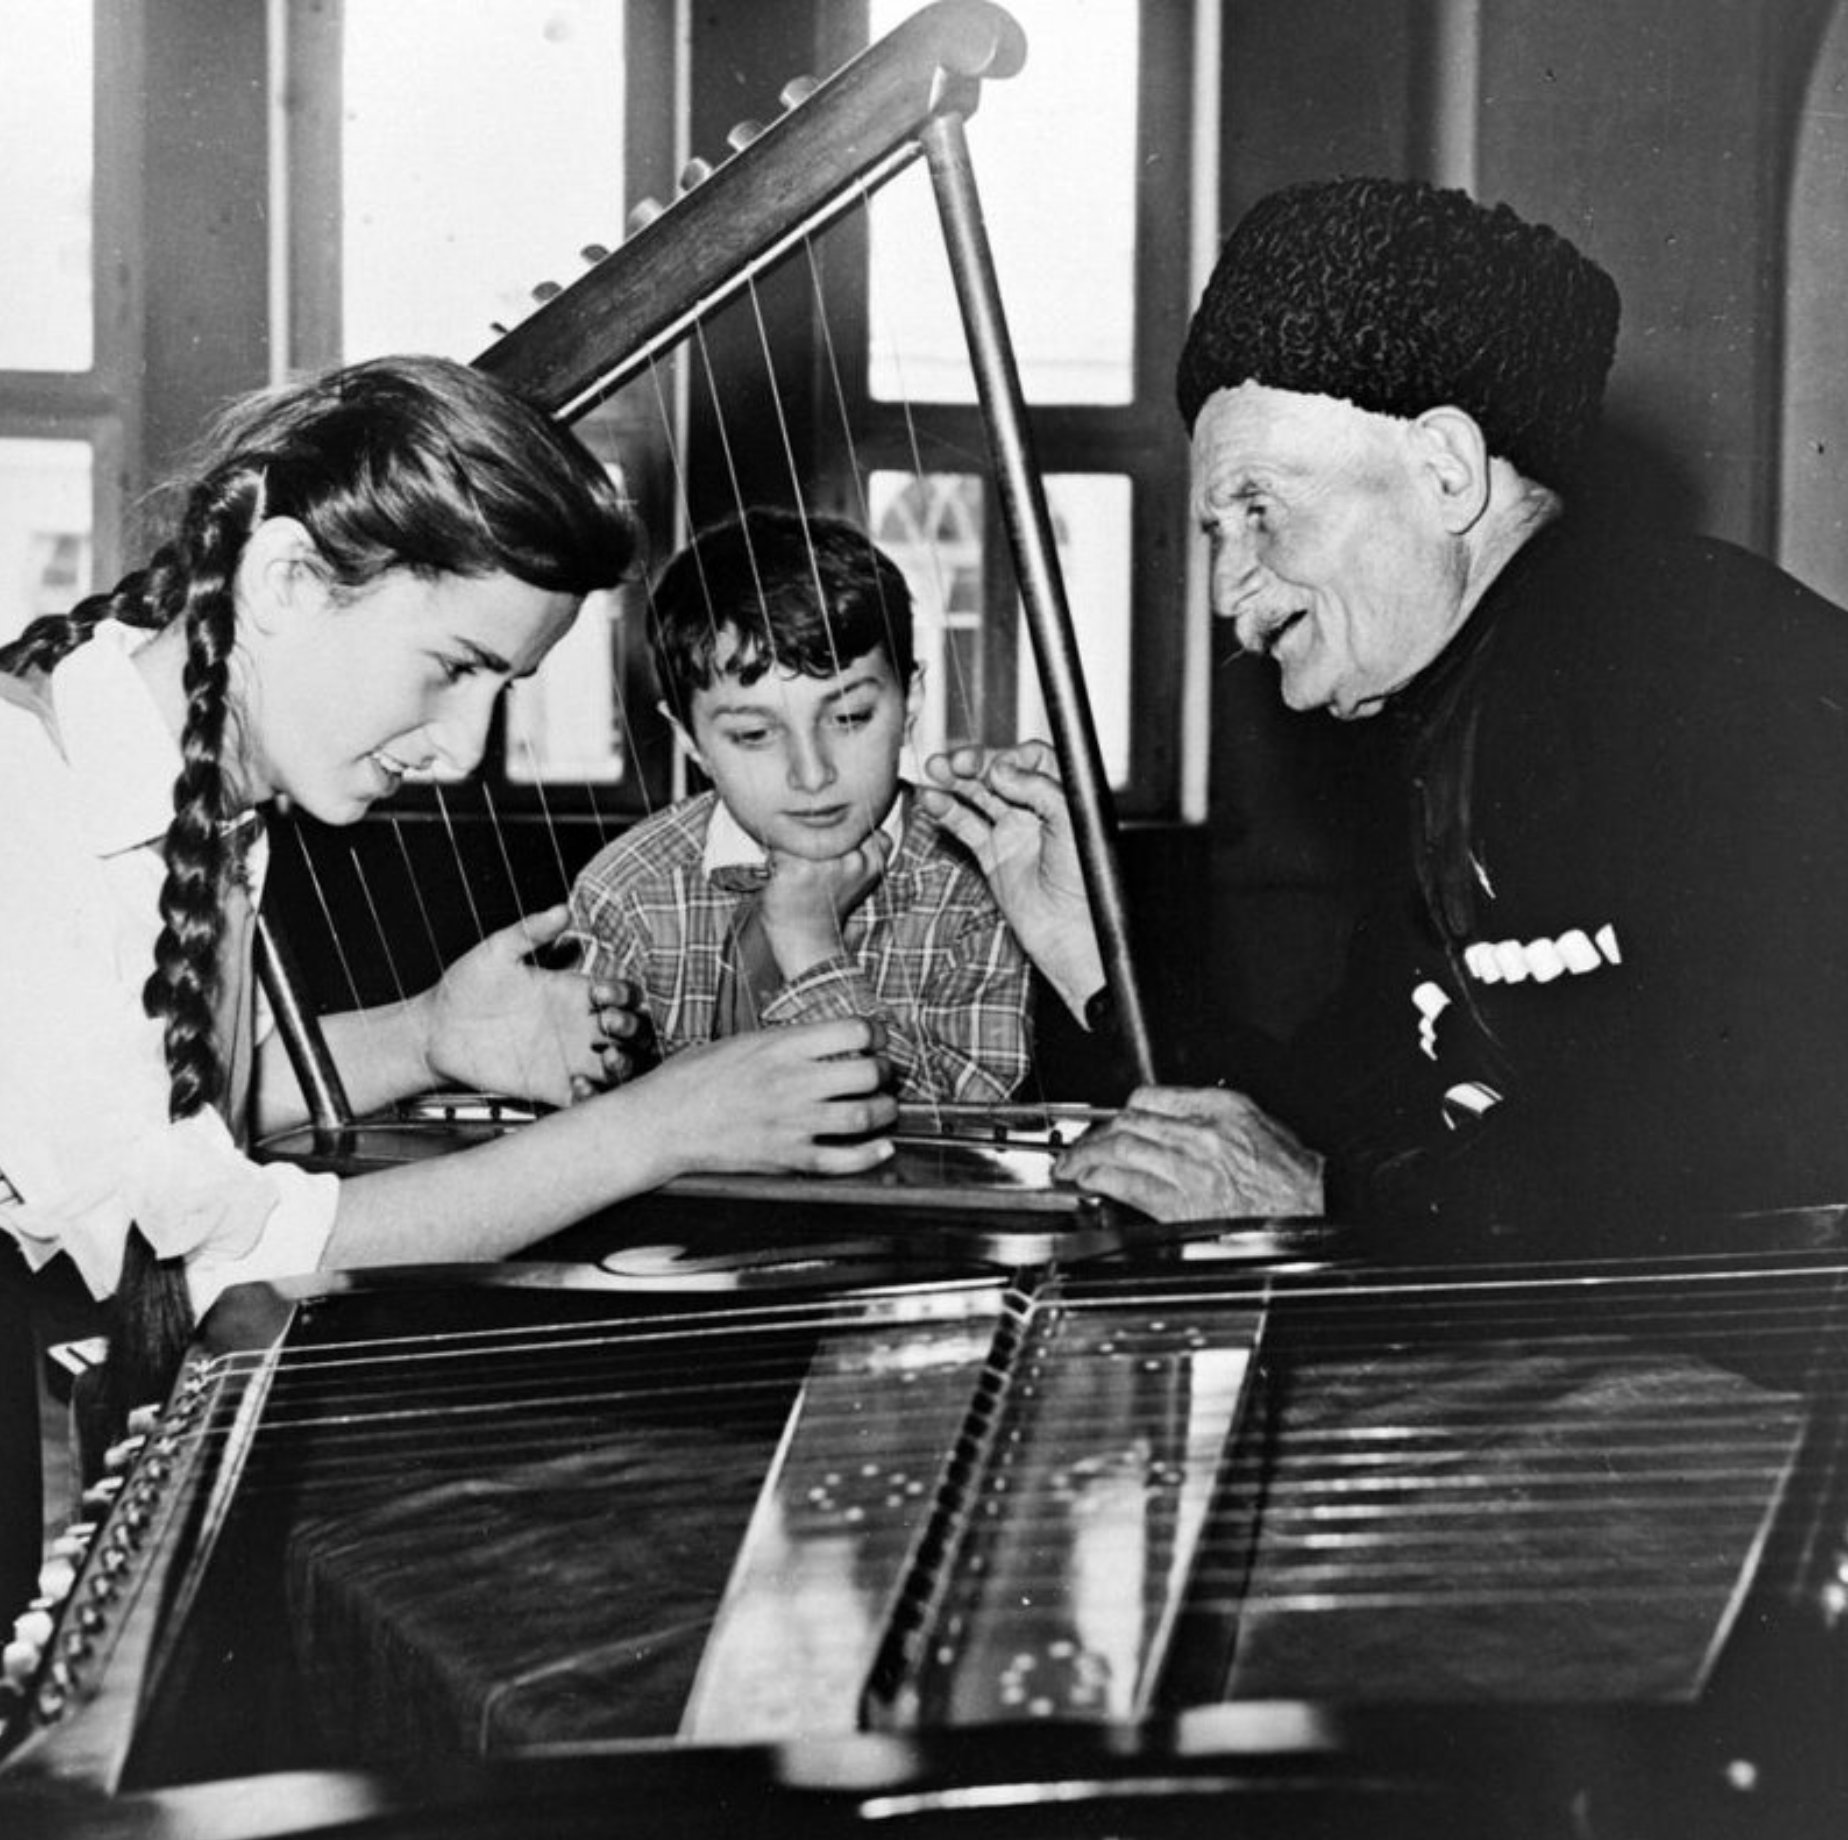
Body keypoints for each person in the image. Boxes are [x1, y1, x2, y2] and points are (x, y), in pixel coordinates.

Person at [0, 358, 897, 1630]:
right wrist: (653, 1130)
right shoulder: (18, 803)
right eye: (451, 666)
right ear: (285, 582)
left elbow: (180, 1119)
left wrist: (432, 1035)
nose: (463, 749)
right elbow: (216, 1251)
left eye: (503, 690)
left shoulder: (201, 797)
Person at [923, 175, 1848, 1242]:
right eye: (1218, 532)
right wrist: (1089, 949)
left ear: (1446, 469)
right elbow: (1325, 1125)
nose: (1229, 594)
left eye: (1259, 508)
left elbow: (1764, 1134)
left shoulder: (1689, 654)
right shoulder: (1441, 725)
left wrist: (1334, 1200)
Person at [566, 506, 1032, 1105]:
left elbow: (964, 1135)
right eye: (754, 735)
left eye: (848, 717)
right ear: (689, 740)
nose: (812, 774)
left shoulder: (976, 883)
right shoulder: (623, 891)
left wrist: (811, 950)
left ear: (910, 701)